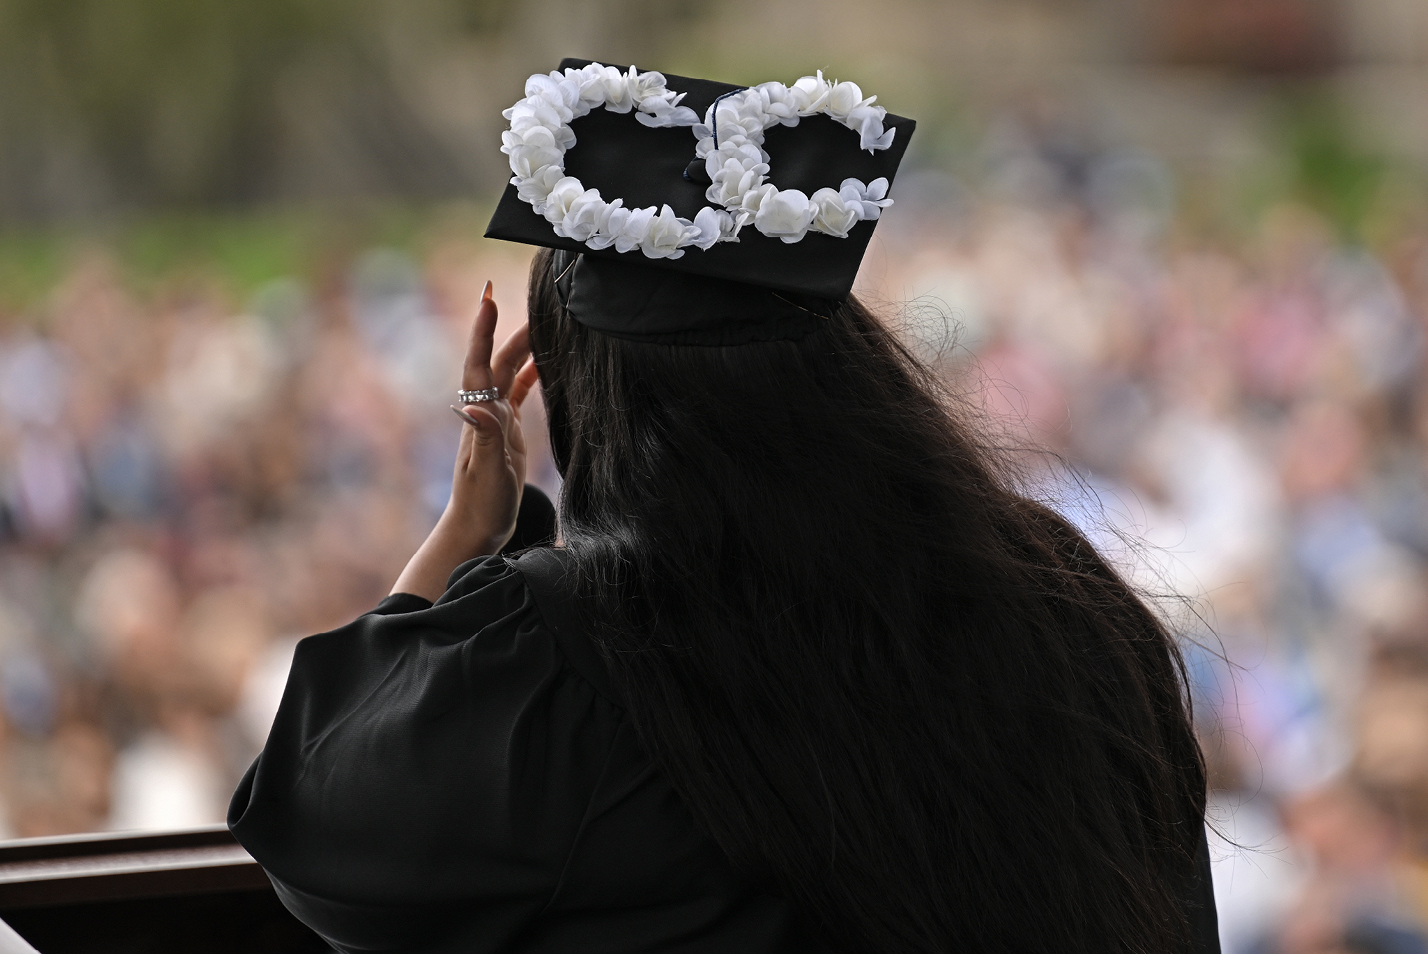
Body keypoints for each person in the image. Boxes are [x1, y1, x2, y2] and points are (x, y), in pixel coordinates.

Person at [230, 60, 1219, 953]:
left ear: (584, 395)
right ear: (845, 367)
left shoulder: (567, 646)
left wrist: (466, 531)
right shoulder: (1056, 594)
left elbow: (313, 821)